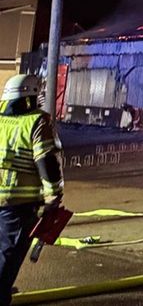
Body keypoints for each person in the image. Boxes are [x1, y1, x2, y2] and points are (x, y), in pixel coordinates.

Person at [0, 75, 63, 304]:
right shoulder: (37, 122)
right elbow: (46, 161)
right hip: (18, 205)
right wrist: (53, 197)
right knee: (7, 256)